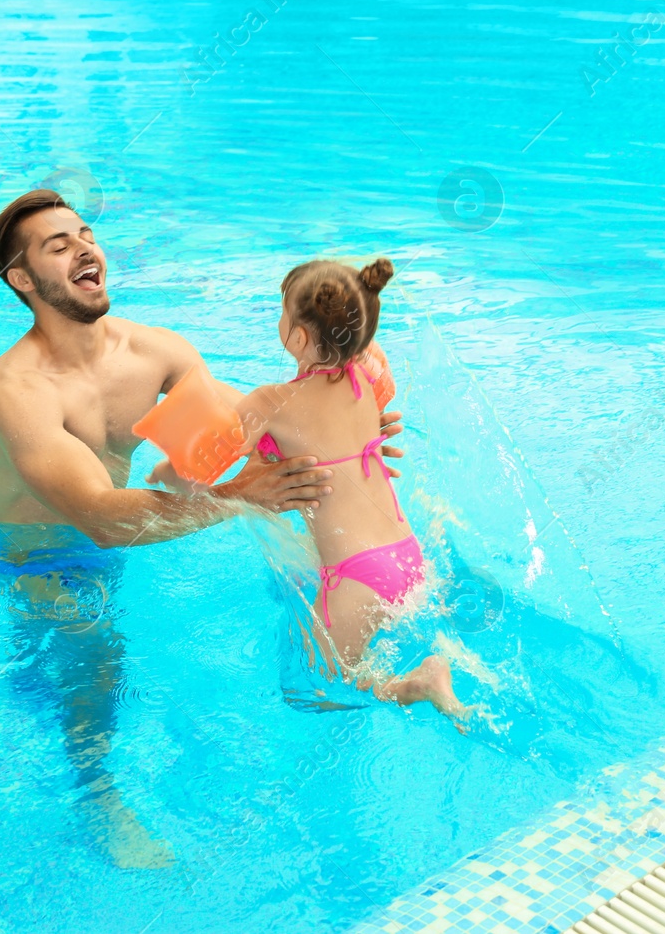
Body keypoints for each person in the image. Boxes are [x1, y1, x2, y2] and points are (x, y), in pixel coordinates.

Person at [0, 189, 403, 868]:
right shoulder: (17, 392)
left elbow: (232, 433)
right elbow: (99, 521)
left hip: (130, 520)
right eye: (59, 246)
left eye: (86, 234)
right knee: (93, 649)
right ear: (22, 280)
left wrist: (348, 443)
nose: (86, 247)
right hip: (49, 557)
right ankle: (97, 794)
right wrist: (238, 497)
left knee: (297, 559)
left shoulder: (156, 351)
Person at [184, 258, 465, 721]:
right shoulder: (370, 370)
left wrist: (168, 475)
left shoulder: (271, 403)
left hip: (356, 580)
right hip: (408, 556)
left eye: (283, 313)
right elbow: (367, 367)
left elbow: (203, 466)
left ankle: (417, 684)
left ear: (296, 337)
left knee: (315, 692)